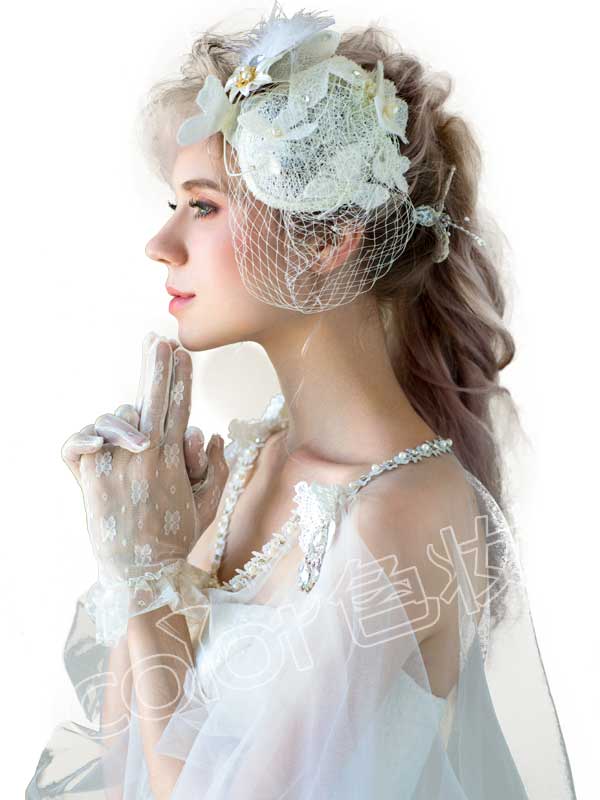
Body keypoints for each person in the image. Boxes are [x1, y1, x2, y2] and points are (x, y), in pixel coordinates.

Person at [27, 4, 577, 798]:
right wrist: (157, 562)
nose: (161, 244)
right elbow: (125, 764)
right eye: (173, 205)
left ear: (325, 240)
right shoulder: (252, 459)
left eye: (204, 206)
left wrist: (148, 583)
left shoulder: (404, 511)